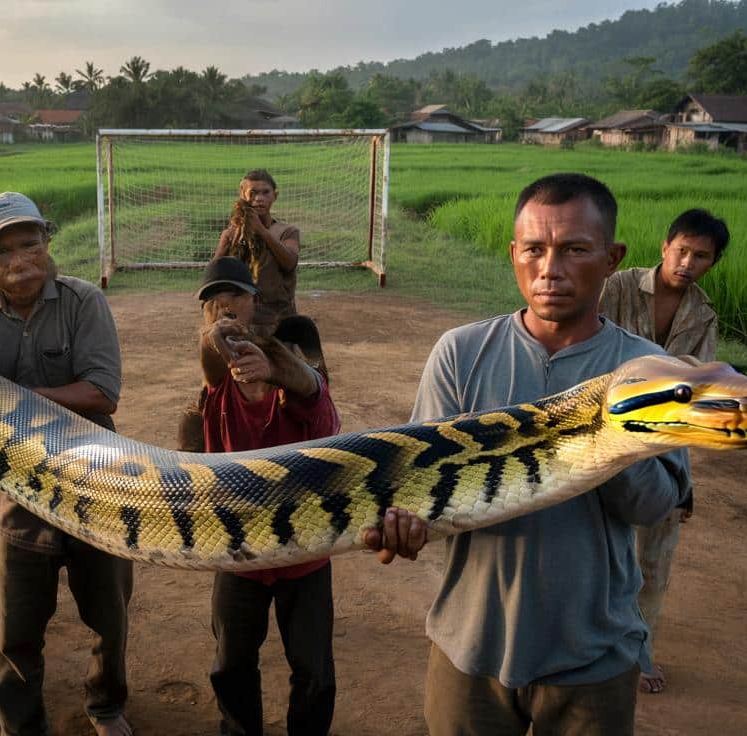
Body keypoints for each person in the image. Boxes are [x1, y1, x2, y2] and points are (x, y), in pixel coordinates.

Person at [366, 173, 691, 736]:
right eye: (535, 250)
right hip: (471, 644)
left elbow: (654, 505)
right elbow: (424, 492)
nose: (550, 270)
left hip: (594, 651)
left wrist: (614, 430)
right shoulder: (461, 353)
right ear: (514, 253)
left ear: (612, 257)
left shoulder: (649, 372)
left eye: (574, 250)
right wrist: (406, 526)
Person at [0, 192, 133, 736]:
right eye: (2, 252)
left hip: (98, 488)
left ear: (47, 242)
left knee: (110, 618)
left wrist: (5, 398)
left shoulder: (82, 303)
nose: (20, 260)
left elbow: (101, 392)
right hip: (20, 498)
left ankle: (106, 705)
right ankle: (22, 725)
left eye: (29, 244)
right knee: (17, 632)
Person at [190, 256, 340, 736]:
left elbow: (319, 404)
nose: (224, 306)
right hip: (238, 556)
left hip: (304, 555)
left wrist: (275, 368)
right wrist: (221, 341)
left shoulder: (296, 384)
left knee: (314, 669)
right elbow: (211, 356)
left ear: (254, 301)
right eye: (214, 300)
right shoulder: (213, 394)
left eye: (234, 295)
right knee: (231, 662)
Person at [599, 207, 729, 695]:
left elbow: (697, 396)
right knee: (597, 543)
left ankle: (639, 653)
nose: (688, 263)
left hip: (661, 442)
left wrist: (684, 480)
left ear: (712, 263)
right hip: (603, 429)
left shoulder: (702, 314)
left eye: (702, 256)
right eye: (682, 251)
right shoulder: (617, 287)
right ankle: (588, 641)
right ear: (664, 247)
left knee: (655, 559)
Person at [214, 169, 301, 336]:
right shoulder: (230, 234)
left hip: (276, 314)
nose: (259, 198)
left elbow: (290, 262)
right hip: (238, 314)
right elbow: (213, 275)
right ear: (242, 195)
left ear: (275, 196)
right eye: (252, 193)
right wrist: (230, 240)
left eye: (265, 192)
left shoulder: (287, 231)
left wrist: (261, 230)